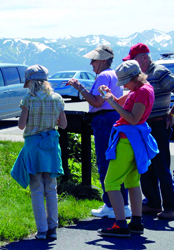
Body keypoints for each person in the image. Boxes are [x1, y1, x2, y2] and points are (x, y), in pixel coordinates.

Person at [97, 60, 158, 237]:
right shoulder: (140, 90)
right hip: (134, 140)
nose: (123, 85)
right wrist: (109, 96)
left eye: (125, 82)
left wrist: (112, 103)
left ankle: (120, 225)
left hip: (127, 141)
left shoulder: (142, 92)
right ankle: (136, 222)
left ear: (135, 78)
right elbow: (118, 102)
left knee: (111, 182)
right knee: (132, 181)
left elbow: (132, 118)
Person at [68, 45, 131, 219]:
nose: (91, 63)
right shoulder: (114, 74)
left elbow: (96, 102)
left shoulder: (103, 75)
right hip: (113, 118)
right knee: (116, 162)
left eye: (94, 60)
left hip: (103, 119)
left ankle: (110, 205)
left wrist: (80, 88)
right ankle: (122, 204)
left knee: (104, 163)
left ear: (103, 60)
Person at [10, 64, 67, 240]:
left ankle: (41, 230)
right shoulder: (57, 98)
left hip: (33, 147)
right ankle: (53, 229)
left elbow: (21, 125)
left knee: (36, 189)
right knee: (51, 188)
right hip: (50, 146)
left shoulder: (28, 99)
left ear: (30, 82)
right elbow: (63, 125)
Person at [122, 43, 174, 220]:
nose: (134, 65)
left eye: (134, 61)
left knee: (161, 167)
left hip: (158, 124)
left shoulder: (159, 72)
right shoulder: (141, 77)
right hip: (144, 126)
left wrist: (172, 113)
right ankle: (153, 203)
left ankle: (170, 207)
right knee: (145, 167)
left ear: (144, 57)